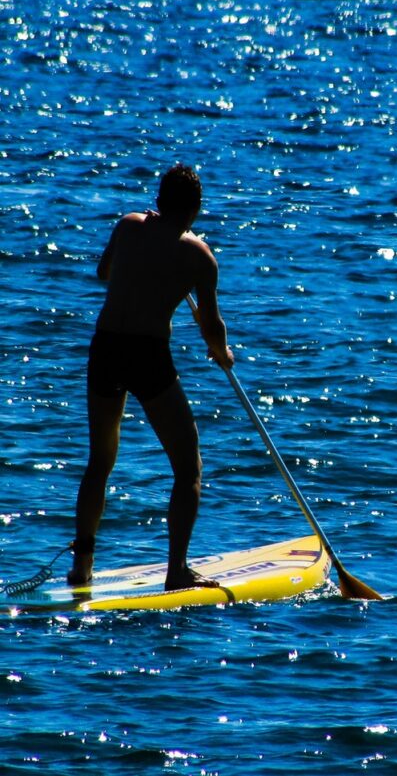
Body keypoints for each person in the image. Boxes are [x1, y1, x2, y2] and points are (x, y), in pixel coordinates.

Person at [68, 164, 234, 591]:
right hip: (147, 355)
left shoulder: (127, 225)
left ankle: (82, 568)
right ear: (195, 209)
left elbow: (105, 273)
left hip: (105, 347)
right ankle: (176, 570)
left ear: (158, 201)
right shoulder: (199, 256)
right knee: (188, 465)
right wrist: (223, 354)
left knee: (99, 462)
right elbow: (212, 329)